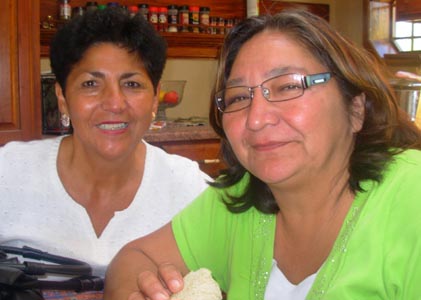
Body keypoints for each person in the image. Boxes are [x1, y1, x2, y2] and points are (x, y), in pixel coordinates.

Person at [104, 10, 421, 300]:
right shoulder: (238, 202)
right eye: (239, 96)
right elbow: (132, 260)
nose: (256, 118)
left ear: (354, 110)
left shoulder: (412, 200)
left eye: (287, 87)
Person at [0, 8, 211, 278]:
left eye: (132, 84)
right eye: (90, 83)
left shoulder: (192, 192)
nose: (114, 103)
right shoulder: (9, 173)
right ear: (62, 98)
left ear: (156, 98)